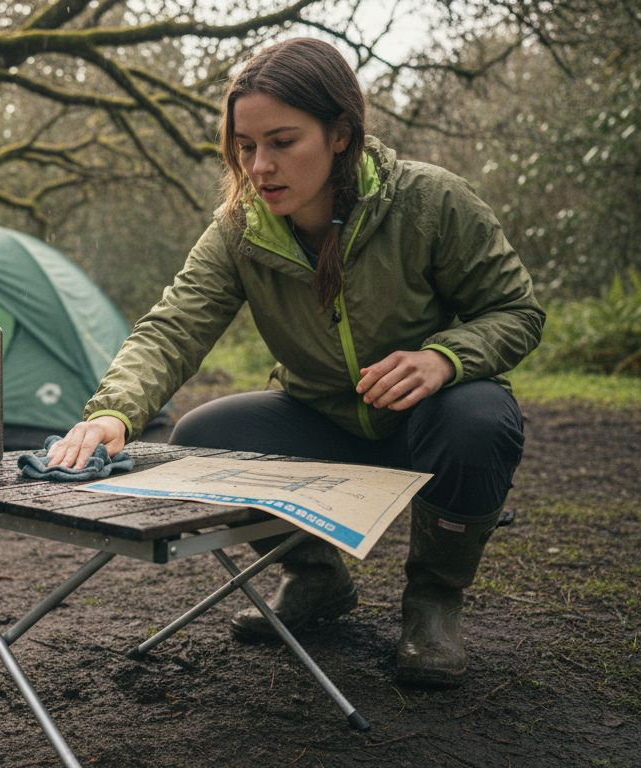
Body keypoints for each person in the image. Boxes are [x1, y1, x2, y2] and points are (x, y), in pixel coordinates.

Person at [45, 37, 544, 688]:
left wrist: (445, 358)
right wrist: (113, 413)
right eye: (245, 147)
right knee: (203, 437)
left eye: (282, 142)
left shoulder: (431, 203)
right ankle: (316, 579)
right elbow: (172, 330)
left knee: (481, 416)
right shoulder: (239, 232)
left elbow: (517, 310)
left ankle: (433, 604)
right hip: (322, 421)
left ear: (340, 134)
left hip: (426, 423)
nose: (260, 165)